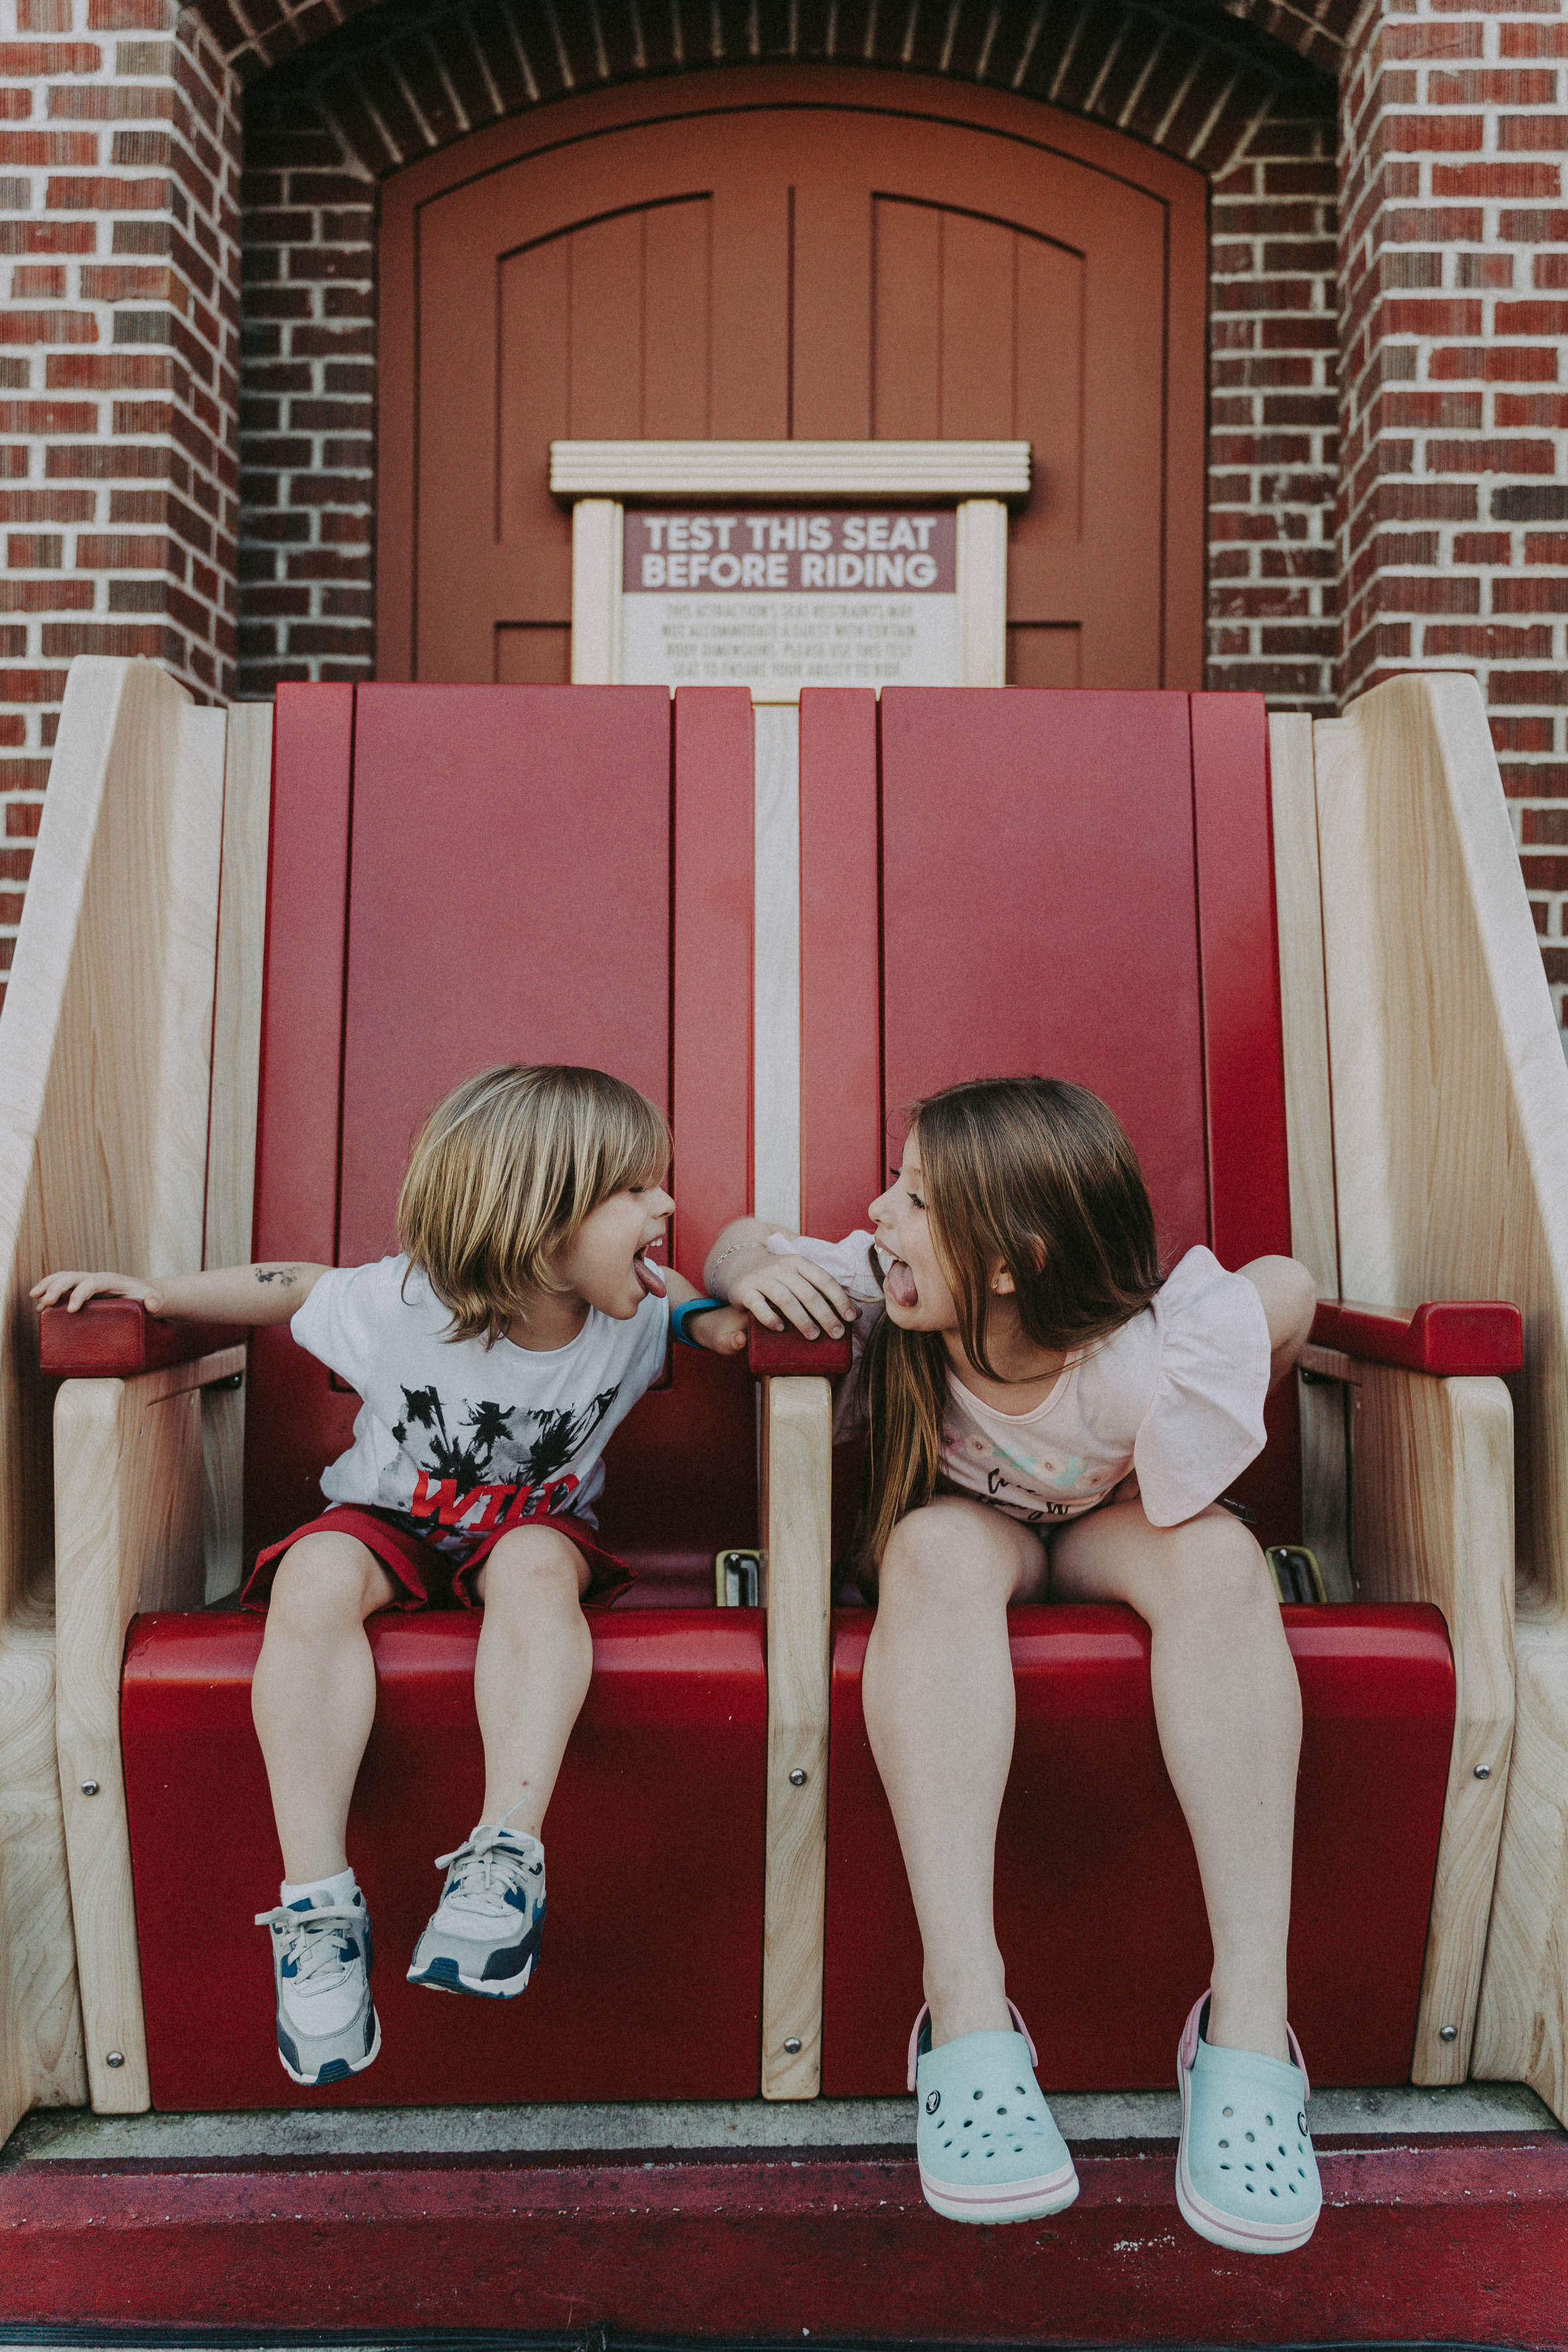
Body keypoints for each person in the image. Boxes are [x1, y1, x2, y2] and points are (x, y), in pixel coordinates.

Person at [33, 1062, 744, 2088]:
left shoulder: (634, 1309)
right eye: (634, 1191)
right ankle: (318, 1905)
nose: (665, 1205)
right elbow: (292, 1286)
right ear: (541, 1224)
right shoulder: (402, 1303)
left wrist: (724, 1313)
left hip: (533, 1532)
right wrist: (156, 1294)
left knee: (539, 1563)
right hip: (387, 1522)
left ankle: (505, 1858)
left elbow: (690, 1298)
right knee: (314, 1573)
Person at [703, 1073, 1322, 2254]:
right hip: (969, 1536)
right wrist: (744, 1274)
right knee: (929, 1551)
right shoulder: (886, 1297)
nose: (878, 1211)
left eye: (914, 1196)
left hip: (1102, 1528)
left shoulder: (1142, 1358)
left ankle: (1247, 2029)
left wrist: (1207, 1420)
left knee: (1220, 1564)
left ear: (1007, 1263)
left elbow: (1286, 1292)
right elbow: (739, 1240)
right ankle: (967, 2016)